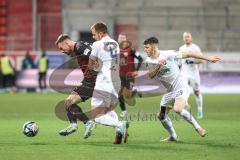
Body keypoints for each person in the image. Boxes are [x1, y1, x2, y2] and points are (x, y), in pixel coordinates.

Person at [143, 37, 220, 142]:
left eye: (147, 47)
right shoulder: (148, 60)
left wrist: (208, 58)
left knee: (178, 109)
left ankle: (198, 128)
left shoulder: (169, 54)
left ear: (153, 47)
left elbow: (188, 54)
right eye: (144, 48)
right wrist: (158, 66)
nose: (145, 50)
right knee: (161, 116)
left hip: (181, 86)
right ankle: (173, 136)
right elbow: (151, 75)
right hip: (170, 91)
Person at [55, 33, 127, 144]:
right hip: (93, 81)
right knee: (106, 110)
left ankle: (83, 123)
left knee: (69, 101)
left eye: (61, 48)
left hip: (92, 82)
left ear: (66, 42)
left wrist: (96, 74)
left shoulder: (81, 47)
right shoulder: (80, 47)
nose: (62, 51)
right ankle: (118, 128)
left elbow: (96, 58)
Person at [85, 22, 129, 143]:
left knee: (96, 115)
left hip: (104, 80)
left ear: (101, 33)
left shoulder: (97, 44)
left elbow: (91, 65)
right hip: (115, 81)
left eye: (94, 34)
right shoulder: (115, 43)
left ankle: (120, 124)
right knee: (108, 110)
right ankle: (119, 131)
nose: (93, 37)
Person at [117, 34, 143, 118]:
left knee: (127, 96)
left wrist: (136, 70)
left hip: (129, 75)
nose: (121, 39)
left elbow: (140, 59)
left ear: (125, 39)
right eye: (120, 38)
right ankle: (124, 111)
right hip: (120, 76)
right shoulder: (116, 50)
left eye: (122, 38)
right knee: (118, 94)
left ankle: (134, 93)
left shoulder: (131, 50)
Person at [179, 32, 204, 119]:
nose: (186, 38)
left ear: (191, 38)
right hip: (184, 73)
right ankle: (185, 103)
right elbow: (180, 61)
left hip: (194, 73)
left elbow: (202, 60)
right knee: (183, 89)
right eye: (185, 37)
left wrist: (193, 61)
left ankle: (200, 110)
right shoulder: (181, 48)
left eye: (188, 37)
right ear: (183, 39)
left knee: (196, 92)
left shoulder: (196, 48)